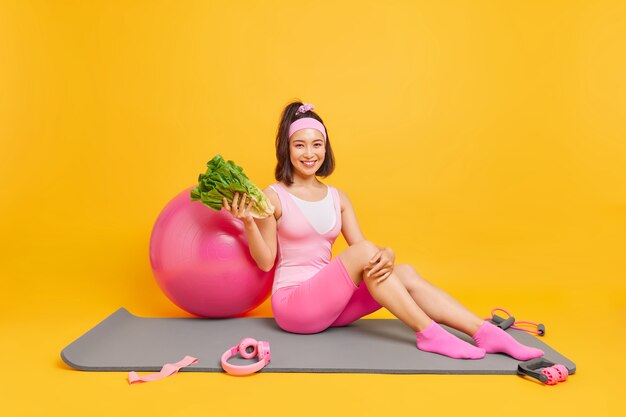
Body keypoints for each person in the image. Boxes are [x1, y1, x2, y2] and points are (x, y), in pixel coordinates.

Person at [222, 101, 544, 360]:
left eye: (317, 145)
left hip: (331, 308)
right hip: (294, 306)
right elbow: (266, 262)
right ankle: (429, 334)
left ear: (326, 149)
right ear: (288, 150)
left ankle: (485, 333)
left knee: (402, 271)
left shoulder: (338, 198)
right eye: (300, 145)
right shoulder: (273, 196)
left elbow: (367, 258)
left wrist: (387, 256)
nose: (310, 154)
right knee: (368, 255)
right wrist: (248, 220)